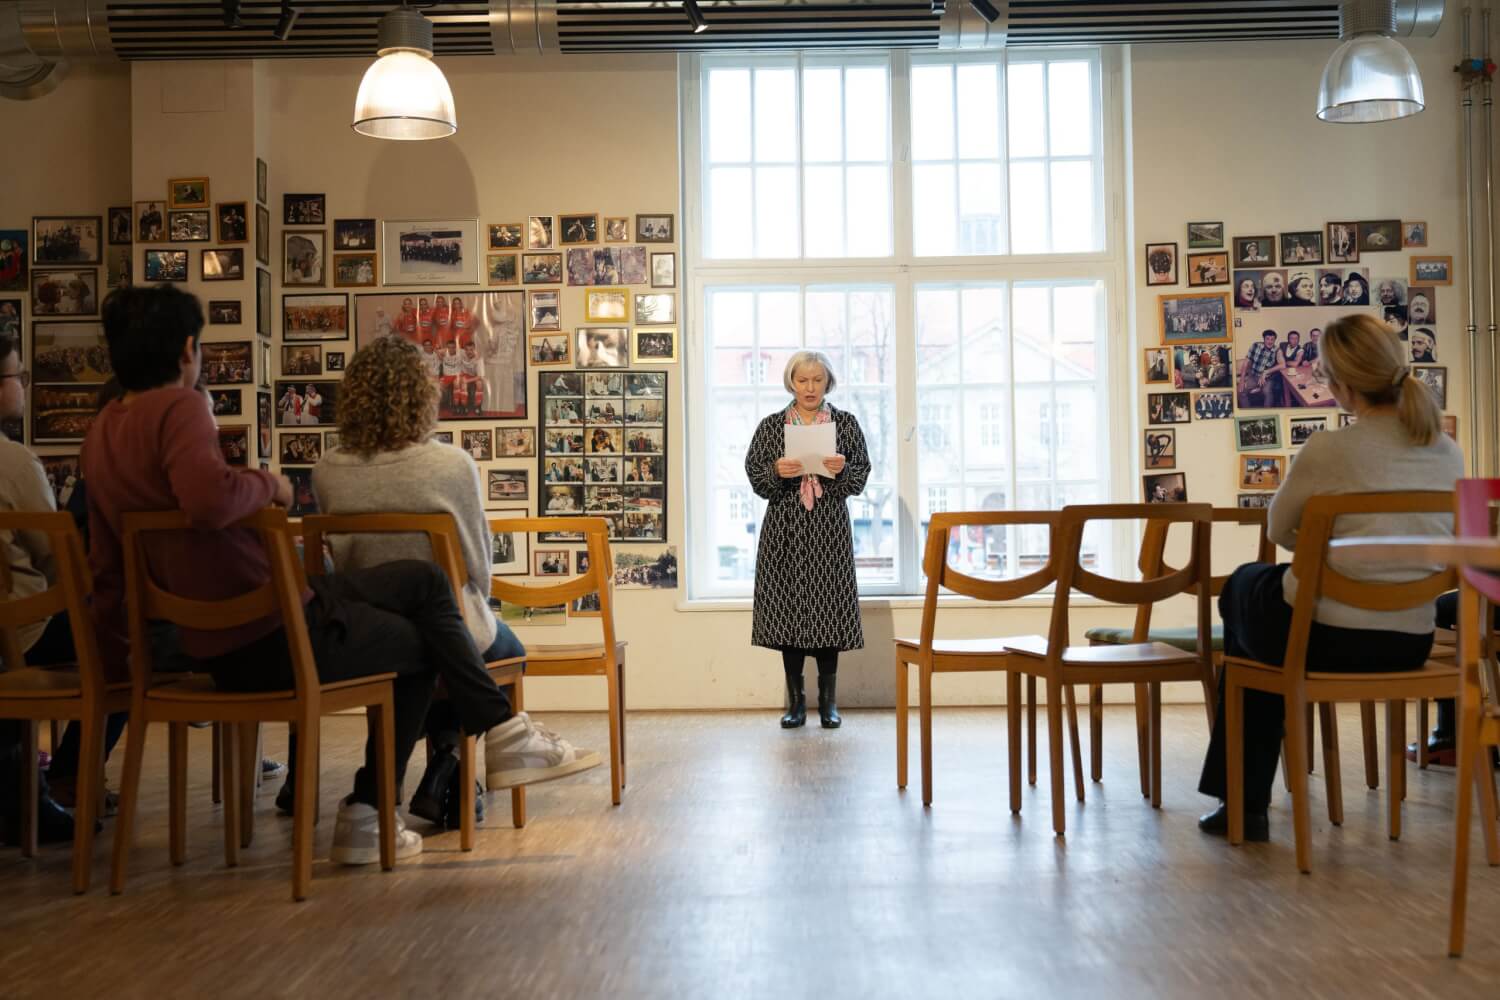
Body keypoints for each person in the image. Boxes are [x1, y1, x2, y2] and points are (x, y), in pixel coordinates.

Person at [82, 287, 561, 867]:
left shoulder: (103, 431)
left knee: (424, 587)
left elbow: (106, 567)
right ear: (188, 350)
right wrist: (270, 486)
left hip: (225, 635)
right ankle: (375, 808)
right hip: (273, 630)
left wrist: (113, 665)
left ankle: (499, 738)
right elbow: (207, 501)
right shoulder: (181, 407)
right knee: (431, 638)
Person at [1197, 313, 1461, 842]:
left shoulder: (1329, 448)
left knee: (1246, 587)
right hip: (1409, 640)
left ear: (1339, 384)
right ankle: (1242, 800)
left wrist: (1325, 558)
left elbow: (1279, 527)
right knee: (1259, 618)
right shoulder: (1447, 452)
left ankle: (1243, 804)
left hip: (1324, 639)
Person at [313, 336, 598, 826]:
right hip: (450, 624)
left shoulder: (327, 471)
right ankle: (449, 765)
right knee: (497, 645)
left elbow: (341, 562)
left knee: (426, 644)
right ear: (423, 395)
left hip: (369, 626)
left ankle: (383, 798)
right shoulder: (450, 465)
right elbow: (476, 567)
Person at [745, 351, 871, 730]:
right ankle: (796, 705)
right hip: (784, 529)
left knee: (829, 613)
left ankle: (829, 705)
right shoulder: (771, 426)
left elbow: (860, 478)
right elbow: (755, 477)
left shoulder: (845, 424)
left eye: (817, 380)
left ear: (827, 382)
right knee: (789, 615)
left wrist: (843, 468)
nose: (810, 387)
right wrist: (775, 470)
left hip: (829, 529)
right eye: (803, 380)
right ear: (791, 383)